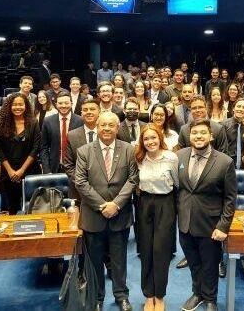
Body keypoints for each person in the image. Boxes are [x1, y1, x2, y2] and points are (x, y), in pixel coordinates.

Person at [74, 112, 137, 311]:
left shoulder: (128, 149)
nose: (107, 129)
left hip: (120, 214)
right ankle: (97, 297)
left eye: (111, 125)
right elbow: (80, 182)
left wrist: (116, 204)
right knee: (94, 261)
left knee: (119, 260)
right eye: (103, 125)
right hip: (94, 216)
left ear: (117, 128)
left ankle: (121, 295)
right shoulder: (84, 151)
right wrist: (102, 205)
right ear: (97, 127)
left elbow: (133, 179)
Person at [177, 119, 236, 311]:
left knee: (210, 264)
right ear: (189, 135)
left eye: (203, 133)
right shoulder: (179, 156)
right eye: (194, 133)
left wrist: (223, 226)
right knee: (194, 263)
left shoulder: (225, 162)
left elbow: (230, 198)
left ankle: (210, 298)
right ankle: (198, 293)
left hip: (211, 224)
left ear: (211, 136)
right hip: (185, 221)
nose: (198, 136)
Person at [135, 124, 178, 311]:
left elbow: (177, 183)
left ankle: (159, 295)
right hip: (144, 203)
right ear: (142, 142)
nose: (150, 142)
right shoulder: (138, 158)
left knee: (160, 250)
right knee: (145, 250)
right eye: (146, 139)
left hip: (165, 203)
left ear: (160, 138)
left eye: (154, 138)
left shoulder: (171, 158)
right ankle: (148, 294)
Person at [0, 93, 41, 214]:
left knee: (31, 207)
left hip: (29, 170)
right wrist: (10, 171)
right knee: (11, 208)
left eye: (21, 104)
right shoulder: (1, 123)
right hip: (8, 172)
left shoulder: (33, 122)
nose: (17, 107)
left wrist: (22, 170)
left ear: (26, 106)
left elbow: (35, 148)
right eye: (14, 104)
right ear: (9, 106)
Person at [63, 99, 100, 205]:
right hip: (79, 192)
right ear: (81, 113)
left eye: (92, 109)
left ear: (99, 112)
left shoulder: (108, 133)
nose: (89, 112)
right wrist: (84, 184)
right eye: (85, 110)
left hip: (105, 191)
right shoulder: (72, 135)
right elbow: (69, 166)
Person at [40, 93, 82, 174]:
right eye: (60, 103)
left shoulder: (80, 121)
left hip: (76, 169)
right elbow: (43, 148)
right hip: (54, 168)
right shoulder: (48, 121)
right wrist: (46, 169)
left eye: (66, 103)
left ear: (71, 104)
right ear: (56, 104)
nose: (63, 106)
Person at [222, 98, 244, 168]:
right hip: (226, 164)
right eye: (238, 106)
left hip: (241, 165)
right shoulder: (224, 125)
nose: (240, 109)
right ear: (234, 108)